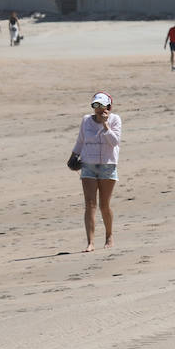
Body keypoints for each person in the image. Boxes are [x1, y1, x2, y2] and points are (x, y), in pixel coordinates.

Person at [69, 92, 121, 252]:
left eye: (101, 105)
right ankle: (90, 242)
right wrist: (73, 156)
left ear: (108, 106)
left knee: (104, 205)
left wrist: (105, 125)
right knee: (90, 204)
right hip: (88, 164)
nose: (98, 109)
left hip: (107, 165)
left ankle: (109, 236)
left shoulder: (115, 120)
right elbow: (81, 140)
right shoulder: (86, 120)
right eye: (95, 106)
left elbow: (114, 142)